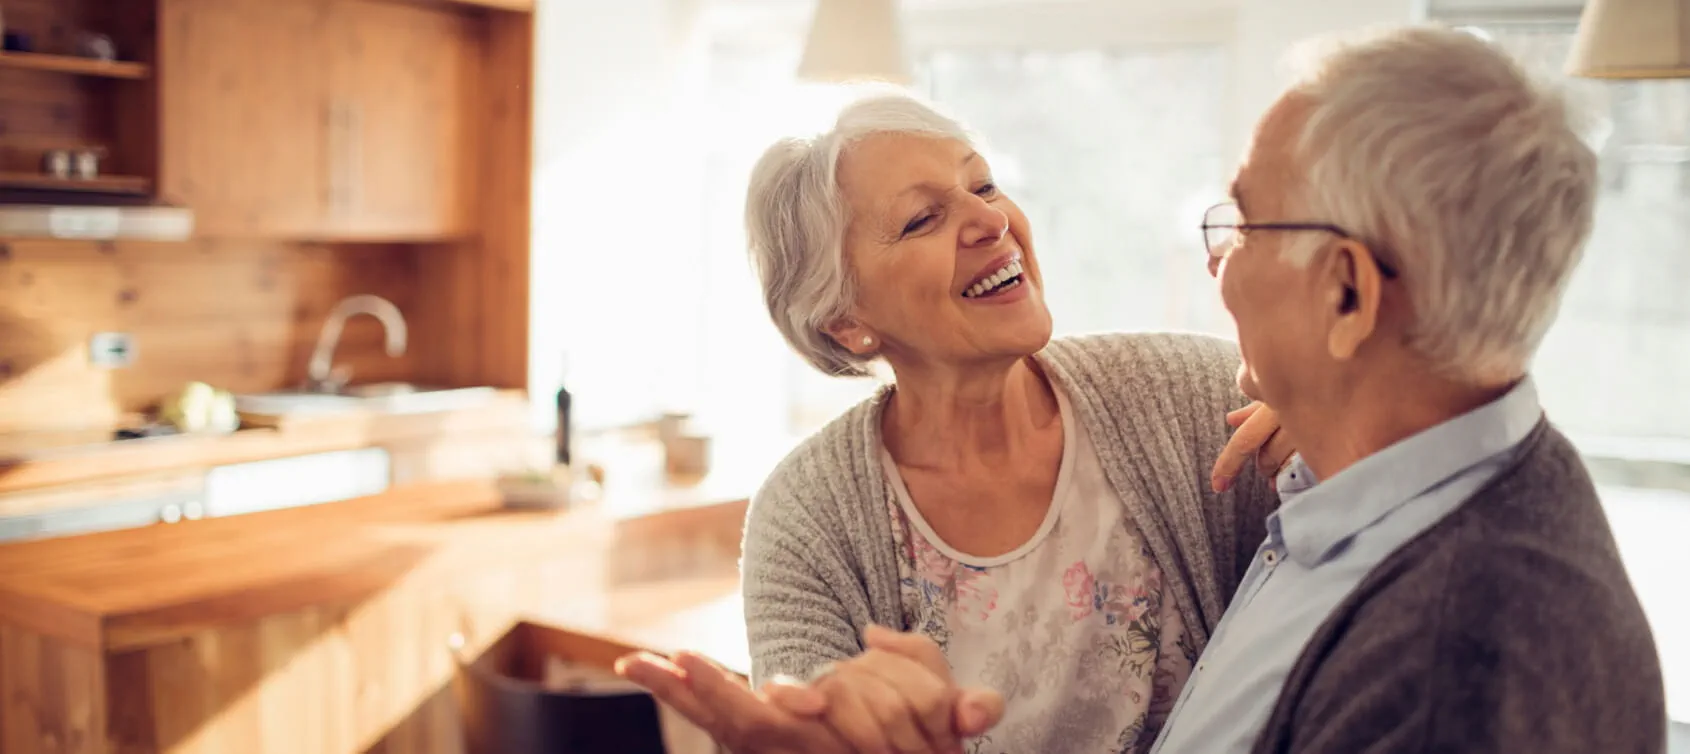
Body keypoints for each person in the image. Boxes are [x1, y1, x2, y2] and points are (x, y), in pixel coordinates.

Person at [616, 89, 1294, 753]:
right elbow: (809, 729)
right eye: (922, 220)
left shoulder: (1192, 395)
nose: (990, 221)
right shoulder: (806, 519)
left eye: (986, 185)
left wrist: (1337, 432)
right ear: (848, 322)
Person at [1142, 25, 1668, 753]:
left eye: (1246, 227)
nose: (1218, 265)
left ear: (1348, 294)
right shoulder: (1428, 483)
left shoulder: (1447, 676)